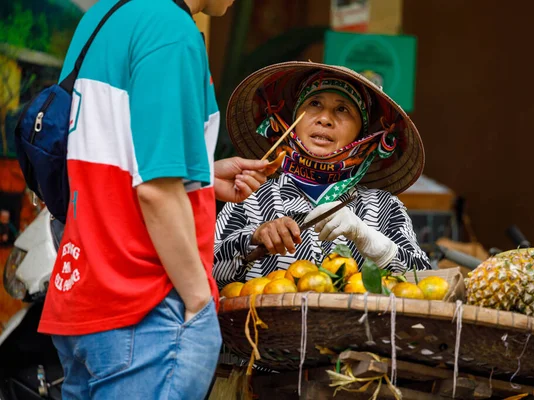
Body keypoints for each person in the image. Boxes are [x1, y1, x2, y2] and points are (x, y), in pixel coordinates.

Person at [37, 0, 267, 399]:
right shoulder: (170, 29)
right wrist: (197, 300)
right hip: (144, 305)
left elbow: (110, 156)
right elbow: (155, 190)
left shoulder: (105, 15)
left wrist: (203, 178)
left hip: (83, 296)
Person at [214, 62, 431, 286]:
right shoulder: (251, 196)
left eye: (342, 109)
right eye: (314, 103)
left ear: (361, 133)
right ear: (292, 122)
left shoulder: (384, 207)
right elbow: (205, 273)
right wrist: (254, 238)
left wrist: (369, 239)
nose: (325, 119)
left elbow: (422, 282)